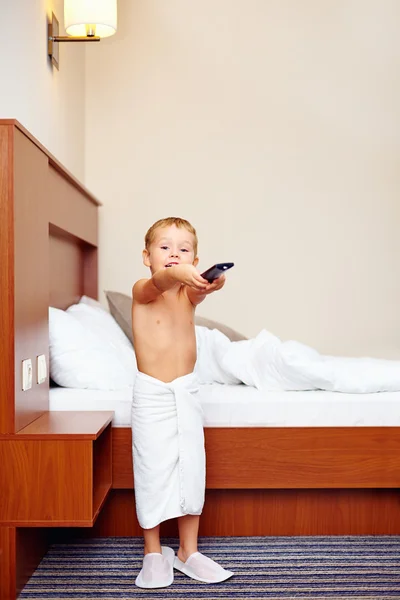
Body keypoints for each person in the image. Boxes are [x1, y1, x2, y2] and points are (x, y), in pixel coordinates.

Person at [131, 216, 234, 588]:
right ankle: (154, 552)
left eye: (184, 249)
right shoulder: (144, 288)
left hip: (186, 390)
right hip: (153, 394)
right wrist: (179, 272)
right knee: (153, 470)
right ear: (147, 256)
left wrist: (211, 282)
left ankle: (188, 552)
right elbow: (161, 281)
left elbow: (199, 291)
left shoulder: (186, 293)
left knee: (191, 468)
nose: (174, 254)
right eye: (165, 248)